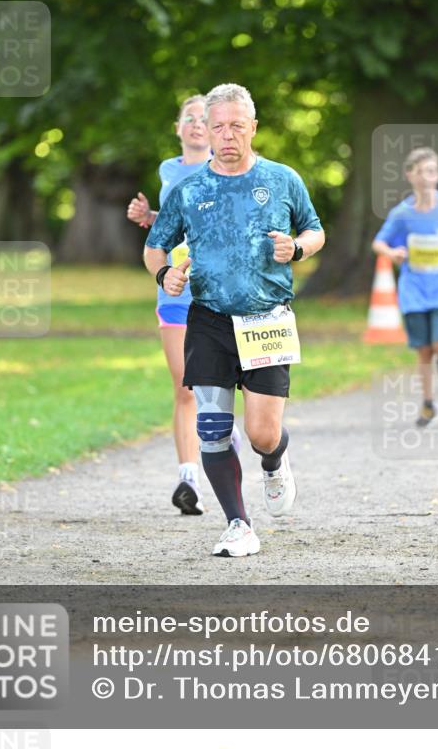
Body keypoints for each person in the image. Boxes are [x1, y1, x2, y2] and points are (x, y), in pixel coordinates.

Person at [144, 83, 325, 557]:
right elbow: (154, 245)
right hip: (209, 318)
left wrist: (298, 247)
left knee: (262, 433)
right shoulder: (189, 189)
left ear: (253, 128)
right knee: (212, 426)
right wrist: (165, 274)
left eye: (235, 126)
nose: (225, 136)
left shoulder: (283, 179)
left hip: (267, 316)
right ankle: (238, 524)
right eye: (217, 126)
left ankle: (274, 461)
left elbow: (315, 228)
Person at [127, 94, 239, 515]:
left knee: (220, 384)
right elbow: (178, 222)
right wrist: (150, 218)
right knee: (185, 385)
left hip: (219, 292)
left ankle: (231, 432)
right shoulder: (168, 170)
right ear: (178, 128)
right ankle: (188, 478)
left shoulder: (229, 169)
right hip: (174, 292)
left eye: (202, 119)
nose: (195, 124)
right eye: (188, 118)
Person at [372, 147, 438, 426]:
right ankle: (428, 404)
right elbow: (378, 242)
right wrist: (391, 253)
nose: (428, 177)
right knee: (424, 351)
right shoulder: (402, 213)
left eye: (433, 171)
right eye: (422, 172)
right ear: (410, 175)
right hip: (413, 291)